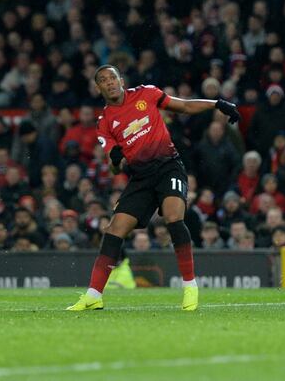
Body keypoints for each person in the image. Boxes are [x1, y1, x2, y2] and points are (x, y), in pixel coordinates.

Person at [67, 65, 239, 311]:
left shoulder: (146, 94)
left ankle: (190, 286)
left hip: (169, 166)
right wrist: (115, 160)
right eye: (103, 80)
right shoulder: (104, 122)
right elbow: (115, 167)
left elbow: (185, 106)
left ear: (121, 80)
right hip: (141, 178)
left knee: (172, 217)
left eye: (112, 78)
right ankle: (94, 295)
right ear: (98, 88)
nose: (109, 82)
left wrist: (217, 103)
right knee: (114, 229)